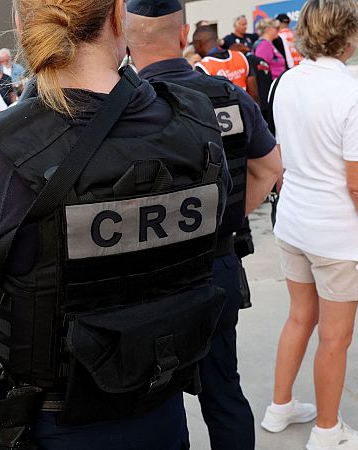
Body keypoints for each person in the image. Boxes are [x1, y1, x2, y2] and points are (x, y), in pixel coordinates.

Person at [0, 0, 232, 447]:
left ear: (21, 24)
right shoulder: (196, 125)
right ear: (118, 14)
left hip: (47, 429)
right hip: (160, 411)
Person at [125, 2, 282, 449]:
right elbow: (270, 168)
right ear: (183, 35)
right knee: (223, 391)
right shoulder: (228, 96)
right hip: (215, 266)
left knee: (147, 404)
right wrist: (221, 219)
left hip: (142, 280)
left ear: (127, 41)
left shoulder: (119, 106)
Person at [265, 1, 358, 449]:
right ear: (350, 37)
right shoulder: (352, 93)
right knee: (335, 337)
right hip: (334, 234)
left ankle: (280, 407)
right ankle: (328, 432)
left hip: (293, 222)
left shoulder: (287, 81)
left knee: (299, 317)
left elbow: (281, 154)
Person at [194, 26, 260, 103]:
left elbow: (203, 102)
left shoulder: (203, 67)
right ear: (217, 39)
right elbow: (254, 96)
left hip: (222, 109)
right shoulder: (240, 56)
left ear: (198, 45)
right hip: (245, 107)